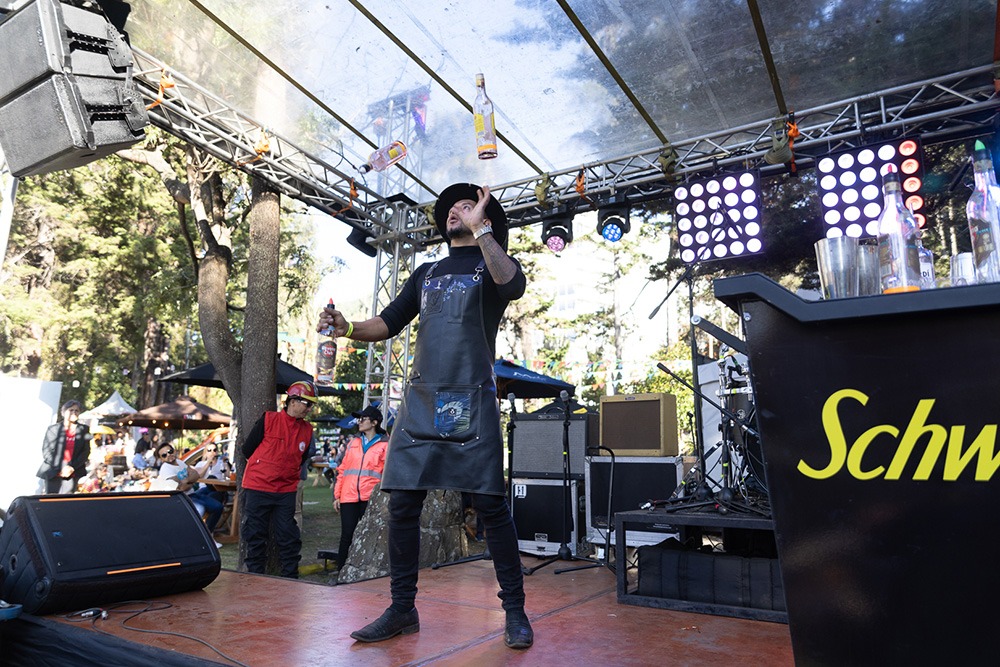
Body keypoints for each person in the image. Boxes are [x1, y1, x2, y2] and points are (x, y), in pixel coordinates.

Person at [318, 183, 533, 649]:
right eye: (451, 207)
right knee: (403, 505)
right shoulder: (426, 272)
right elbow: (387, 322)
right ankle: (402, 609)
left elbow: (513, 285)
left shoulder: (490, 262)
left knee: (491, 506)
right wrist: (347, 327)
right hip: (421, 402)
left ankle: (514, 611)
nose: (456, 210)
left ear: (485, 218)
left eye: (468, 205)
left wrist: (484, 235)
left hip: (468, 401)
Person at [241, 380, 318, 578]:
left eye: (311, 405)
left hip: (285, 490)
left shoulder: (307, 430)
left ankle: (290, 578)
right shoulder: (269, 419)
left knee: (288, 535)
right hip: (258, 487)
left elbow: (301, 458)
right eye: (307, 403)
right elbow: (247, 449)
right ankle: (255, 577)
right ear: (293, 401)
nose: (309, 409)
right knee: (256, 535)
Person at [333, 405, 388, 571]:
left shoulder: (386, 445)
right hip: (348, 497)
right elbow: (343, 469)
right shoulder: (353, 442)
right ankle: (341, 570)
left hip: (370, 498)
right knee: (347, 535)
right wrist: (337, 495)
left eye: (363, 419)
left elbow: (387, 473)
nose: (359, 422)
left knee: (371, 534)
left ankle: (368, 570)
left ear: (374, 422)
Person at [154, 442, 224, 546]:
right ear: (161, 459)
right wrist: (188, 480)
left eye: (170, 451)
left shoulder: (180, 462)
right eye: (164, 455)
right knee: (199, 510)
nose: (169, 455)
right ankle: (195, 540)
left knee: (218, 506)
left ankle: (208, 536)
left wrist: (185, 480)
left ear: (174, 451)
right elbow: (181, 488)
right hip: (181, 498)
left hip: (192, 494)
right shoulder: (165, 469)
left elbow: (196, 475)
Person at [37, 400, 91, 494]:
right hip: (53, 471)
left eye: (76, 410)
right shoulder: (53, 429)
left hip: (72, 472)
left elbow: (85, 451)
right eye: (71, 410)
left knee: (66, 502)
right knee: (51, 501)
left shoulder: (84, 429)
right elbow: (47, 452)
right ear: (63, 412)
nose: (74, 412)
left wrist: (71, 468)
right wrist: (62, 468)